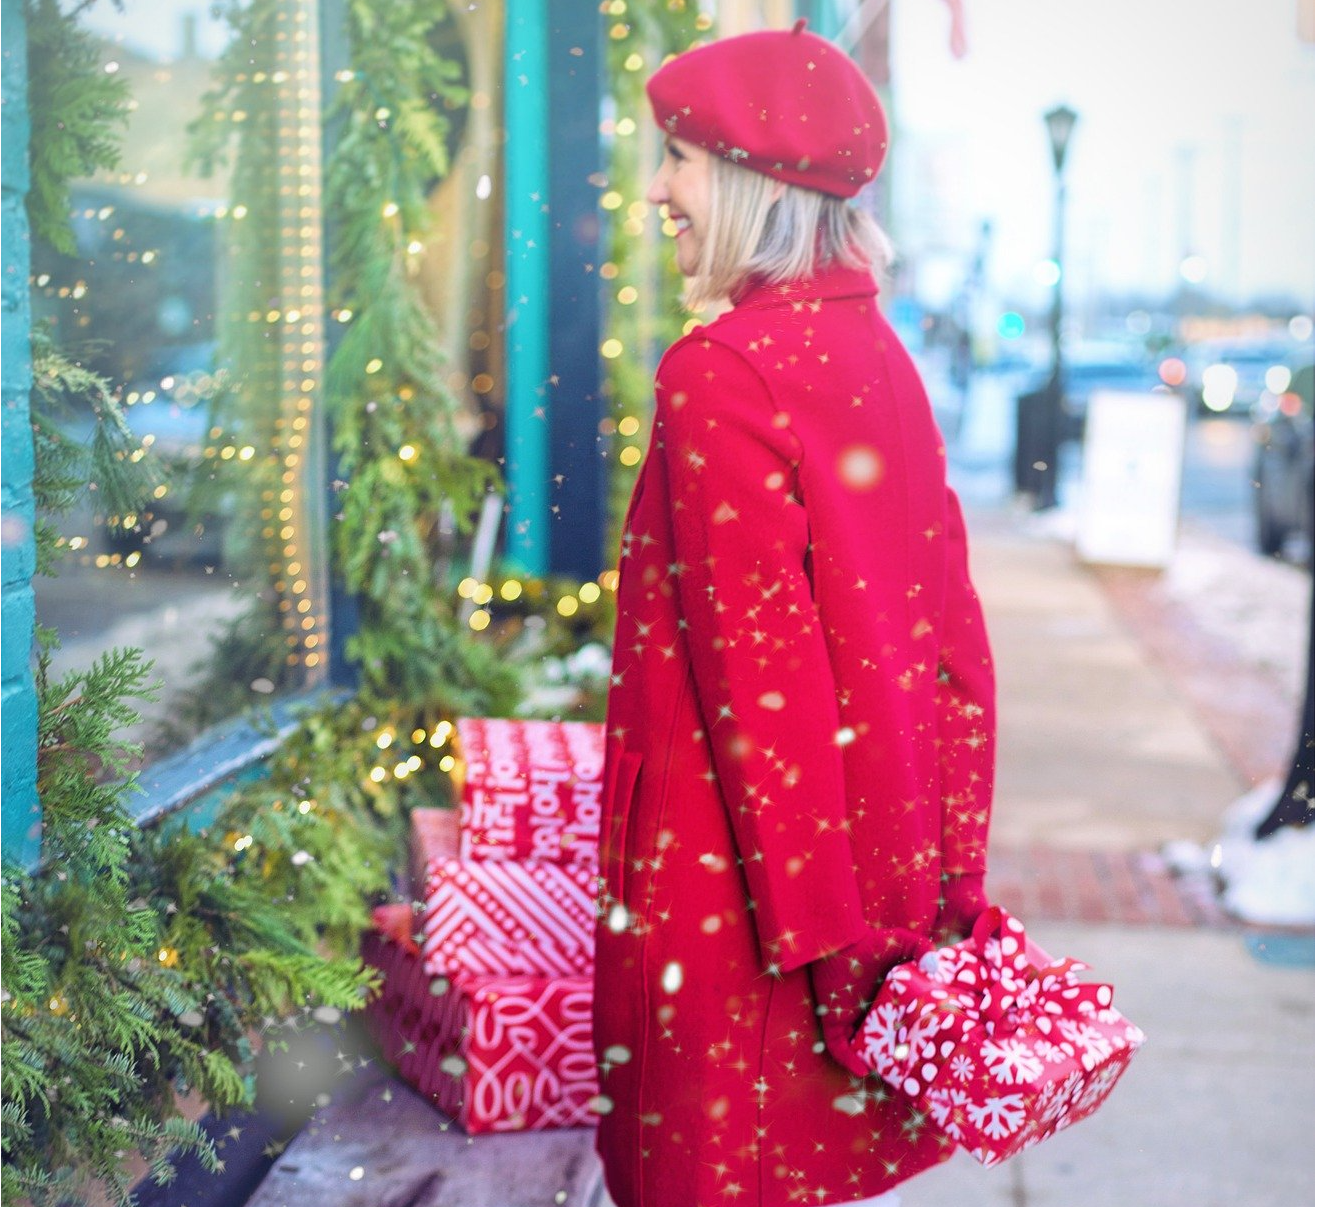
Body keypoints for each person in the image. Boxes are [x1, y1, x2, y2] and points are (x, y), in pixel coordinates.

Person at [593, 21, 996, 1207]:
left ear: (748, 179)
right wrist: (930, 900)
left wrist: (828, 954)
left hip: (741, 905)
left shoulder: (719, 373)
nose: (656, 190)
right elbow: (952, 660)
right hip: (857, 886)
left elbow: (762, 701)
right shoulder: (875, 358)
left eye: (674, 158)